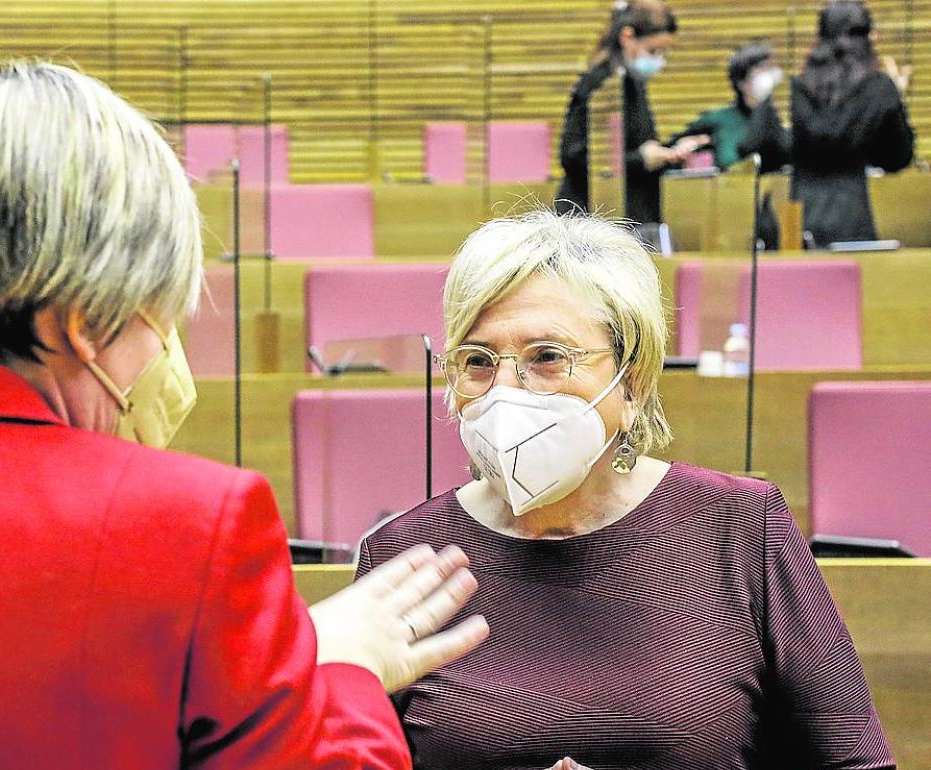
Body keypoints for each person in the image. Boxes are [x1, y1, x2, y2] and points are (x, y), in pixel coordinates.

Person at [0, 59, 489, 769]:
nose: (162, 351)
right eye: (154, 316)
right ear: (81, 322)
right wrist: (337, 674)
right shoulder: (196, 531)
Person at [358, 210, 894, 770]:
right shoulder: (401, 555)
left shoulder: (740, 527)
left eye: (547, 357)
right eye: (477, 361)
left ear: (631, 381)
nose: (505, 390)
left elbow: (856, 763)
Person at [555, 0, 707, 226]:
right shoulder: (600, 84)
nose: (659, 60)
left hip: (624, 211)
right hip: (588, 217)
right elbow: (573, 156)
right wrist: (641, 160)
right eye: (654, 50)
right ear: (627, 37)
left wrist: (670, 152)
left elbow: (639, 146)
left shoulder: (632, 83)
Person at [791, 0, 915, 246]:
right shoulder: (879, 89)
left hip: (799, 217)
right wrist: (892, 101)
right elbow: (896, 159)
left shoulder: (798, 87)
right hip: (853, 220)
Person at [671, 42, 791, 171]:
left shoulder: (772, 119)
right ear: (741, 81)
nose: (769, 75)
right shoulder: (718, 119)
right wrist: (685, 146)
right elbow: (674, 147)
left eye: (770, 68)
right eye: (762, 68)